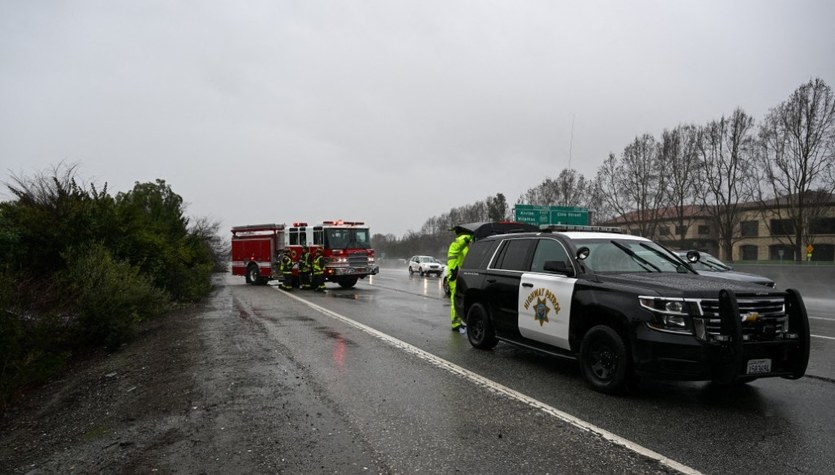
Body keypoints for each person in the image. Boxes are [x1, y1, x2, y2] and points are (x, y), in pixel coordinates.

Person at [447, 226, 473, 332]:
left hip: (459, 275)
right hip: (454, 276)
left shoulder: (464, 247)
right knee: (455, 299)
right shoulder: (456, 244)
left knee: (459, 299)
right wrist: (472, 234)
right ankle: (455, 324)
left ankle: (458, 322)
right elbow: (462, 242)